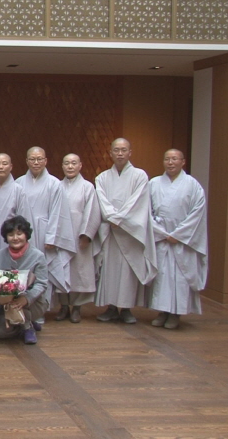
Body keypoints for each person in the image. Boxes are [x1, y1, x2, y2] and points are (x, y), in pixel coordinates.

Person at [95, 138, 157, 324]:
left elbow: (137, 202)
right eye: (116, 150)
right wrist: (112, 218)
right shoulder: (102, 178)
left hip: (130, 232)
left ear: (130, 152)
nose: (120, 153)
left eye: (123, 150)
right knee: (110, 270)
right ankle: (111, 307)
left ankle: (127, 308)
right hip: (111, 232)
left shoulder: (140, 176)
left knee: (128, 272)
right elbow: (102, 200)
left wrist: (119, 219)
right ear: (110, 153)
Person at [147, 149, 207, 329]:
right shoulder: (154, 183)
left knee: (179, 279)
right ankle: (162, 311)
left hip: (182, 241)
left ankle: (176, 313)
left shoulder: (193, 185)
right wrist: (162, 233)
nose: (170, 162)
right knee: (162, 277)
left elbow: (197, 214)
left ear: (183, 162)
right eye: (167, 159)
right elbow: (146, 212)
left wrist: (178, 235)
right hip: (161, 238)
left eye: (174, 159)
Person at [16, 147, 77, 321]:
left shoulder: (54, 184)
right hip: (23, 233)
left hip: (45, 231)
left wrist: (52, 237)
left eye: (39, 159)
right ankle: (21, 307)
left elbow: (58, 213)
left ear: (45, 161)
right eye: (32, 159)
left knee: (43, 270)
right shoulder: (19, 183)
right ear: (27, 161)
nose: (36, 162)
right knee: (24, 268)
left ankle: (40, 310)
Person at [0, 215, 49, 344]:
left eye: (19, 234)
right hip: (8, 303)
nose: (15, 238)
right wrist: (0, 296)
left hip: (33, 302)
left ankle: (28, 326)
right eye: (11, 235)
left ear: (26, 235)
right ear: (6, 237)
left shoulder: (38, 256)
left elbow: (42, 284)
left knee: (23, 302)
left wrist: (26, 299)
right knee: (0, 333)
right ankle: (22, 324)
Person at [58, 153, 101, 323]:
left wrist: (86, 235)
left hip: (79, 235)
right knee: (61, 270)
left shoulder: (87, 187)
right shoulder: (57, 186)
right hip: (61, 237)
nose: (70, 166)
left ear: (80, 165)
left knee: (79, 271)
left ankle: (76, 307)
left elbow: (92, 212)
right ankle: (63, 306)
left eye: (73, 163)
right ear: (62, 166)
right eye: (67, 163)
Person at [0, 153, 30, 247]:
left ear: (11, 167)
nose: (0, 167)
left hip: (11, 236)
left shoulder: (18, 190)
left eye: (4, 163)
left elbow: (23, 217)